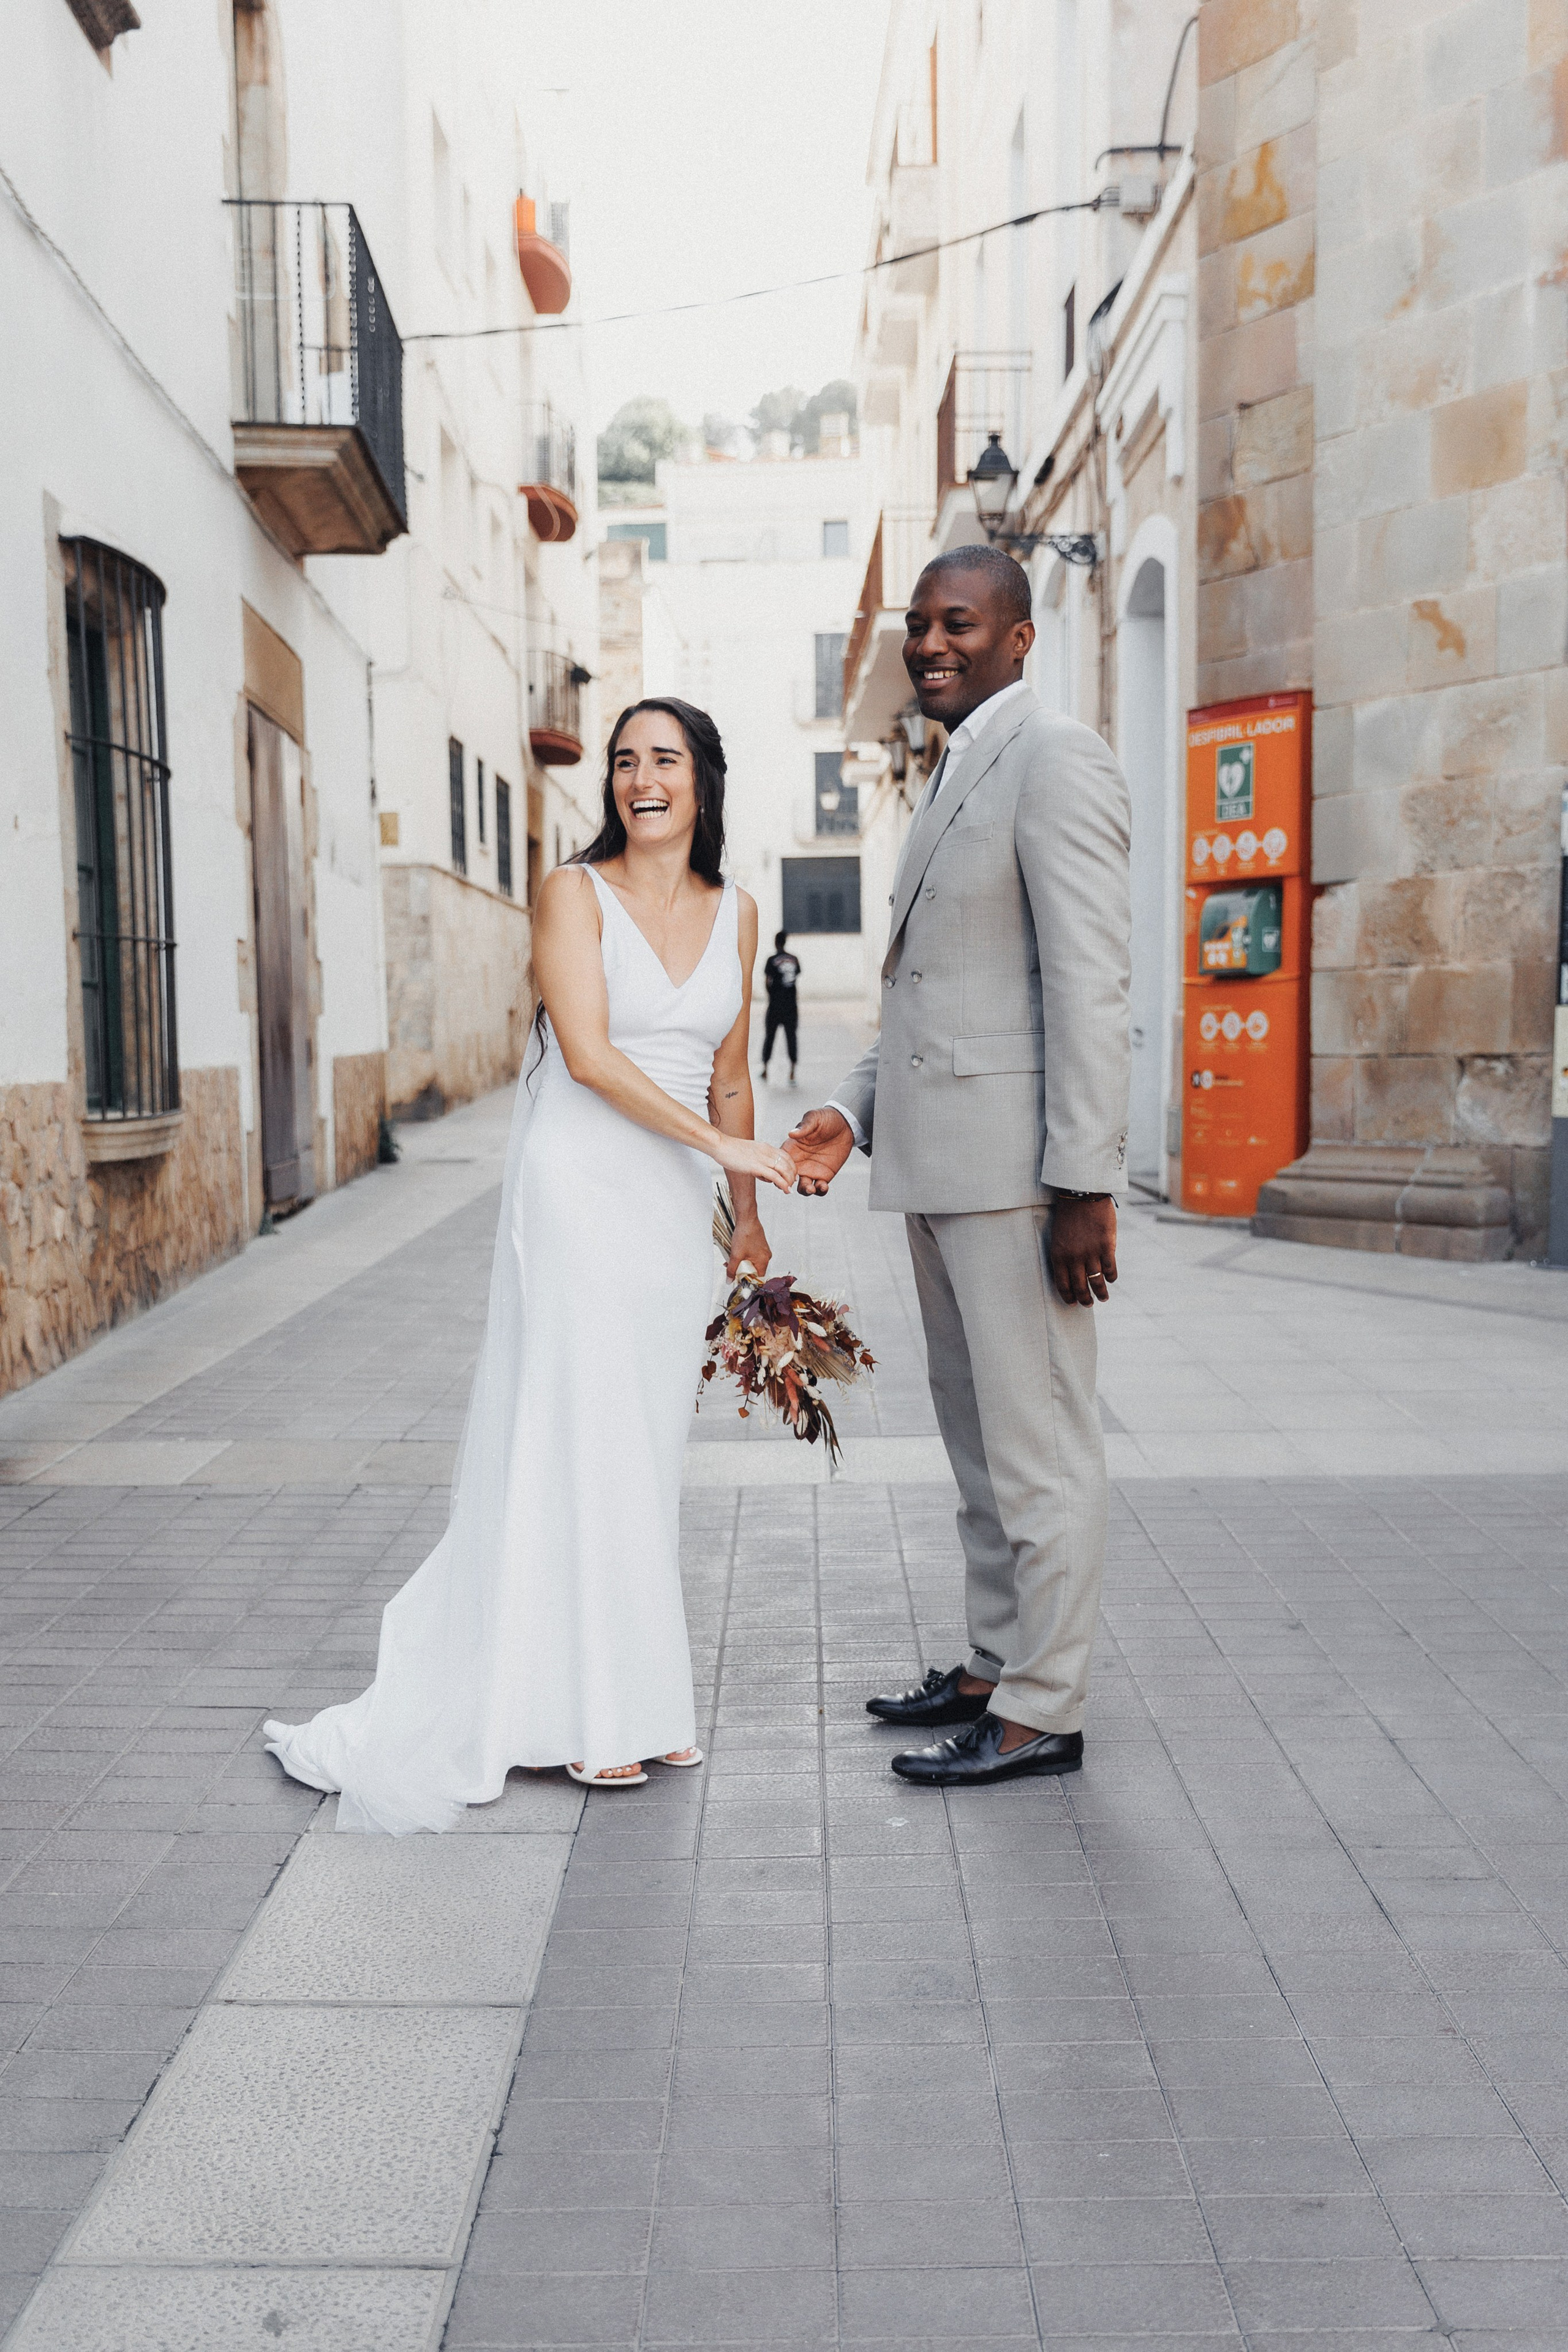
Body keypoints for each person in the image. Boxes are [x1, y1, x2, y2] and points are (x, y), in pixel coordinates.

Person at [265, 699, 796, 1825]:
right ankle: (592, 1720)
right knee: (580, 1429)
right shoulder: (572, 892)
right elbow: (594, 1058)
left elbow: (734, 1074)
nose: (640, 779)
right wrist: (722, 1146)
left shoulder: (740, 911)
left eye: (665, 760)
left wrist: (746, 1218)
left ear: (705, 780)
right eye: (623, 762)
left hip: (669, 1206)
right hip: (583, 1183)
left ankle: (641, 1701)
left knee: (639, 1443)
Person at [788, 546, 1130, 1789]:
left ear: (1019, 637)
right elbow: (932, 994)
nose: (932, 645)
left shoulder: (1054, 758)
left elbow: (1085, 985)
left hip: (1015, 1182)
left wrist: (1083, 1185)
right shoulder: (951, 768)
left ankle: (1041, 1708)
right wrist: (849, 1108)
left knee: (1037, 1445)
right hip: (937, 1171)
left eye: (960, 625)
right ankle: (992, 1662)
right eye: (921, 626)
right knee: (978, 1443)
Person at [760, 930, 801, 1082]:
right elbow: (794, 979)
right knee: (791, 1037)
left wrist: (772, 995)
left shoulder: (771, 960)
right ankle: (792, 1072)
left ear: (776, 942)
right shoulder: (794, 959)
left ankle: (765, 1070)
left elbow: (767, 982)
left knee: (770, 1036)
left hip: (775, 1006)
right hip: (791, 1006)